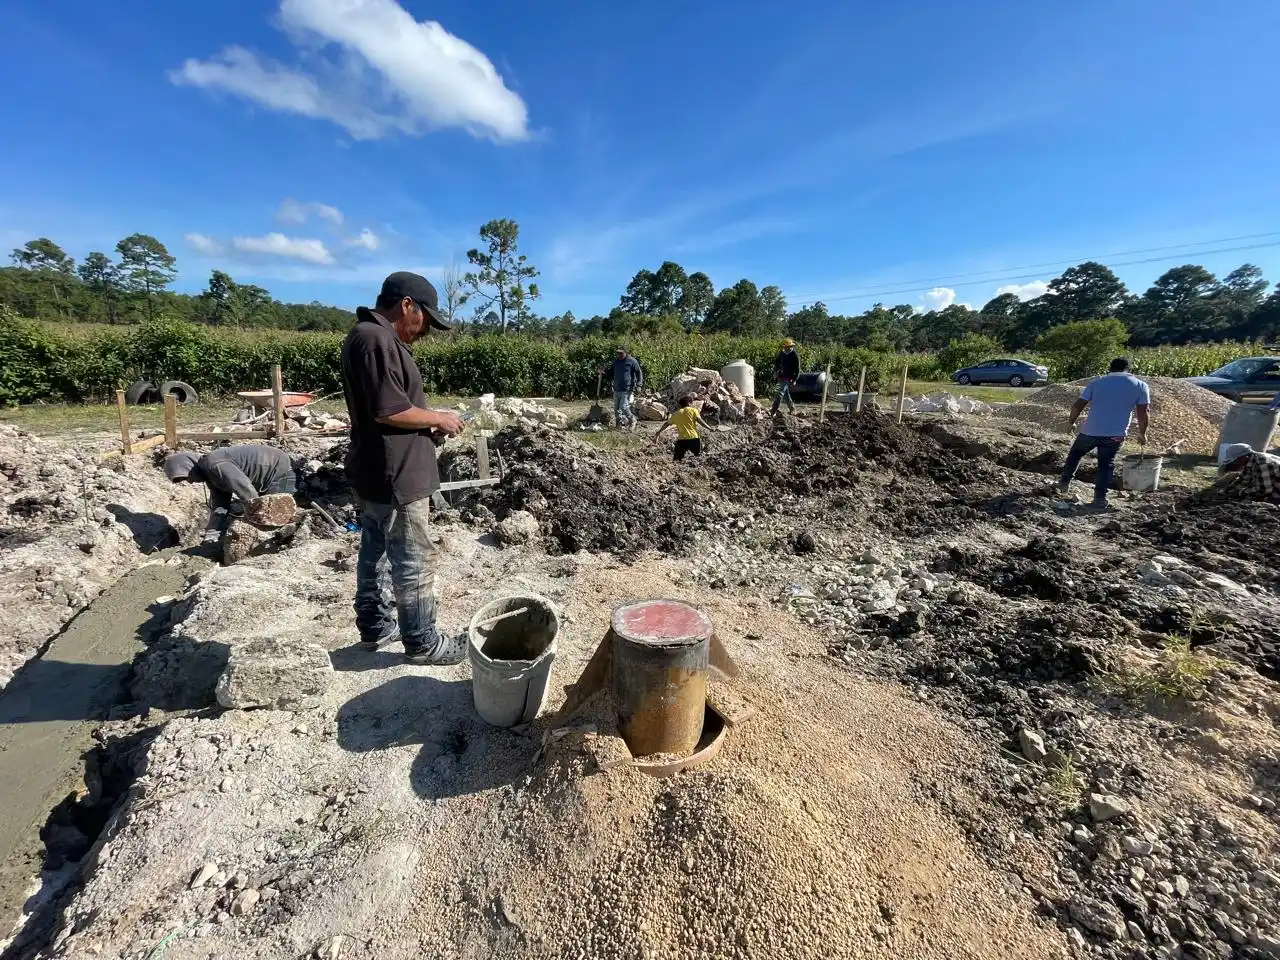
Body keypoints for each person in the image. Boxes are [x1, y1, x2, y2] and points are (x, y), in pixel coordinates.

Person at [340, 272, 465, 665]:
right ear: (407, 304)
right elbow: (389, 410)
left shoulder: (372, 337)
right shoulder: (375, 339)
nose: (426, 330)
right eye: (426, 319)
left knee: (374, 547)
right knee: (413, 556)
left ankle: (376, 625)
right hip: (397, 474)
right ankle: (422, 641)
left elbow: (386, 410)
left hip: (382, 467)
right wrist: (439, 418)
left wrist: (423, 422)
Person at [1058, 357, 1150, 510]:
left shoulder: (1096, 383)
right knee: (1105, 465)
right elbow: (1143, 412)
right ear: (1128, 369)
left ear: (1110, 368)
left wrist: (1071, 422)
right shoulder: (1140, 385)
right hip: (1115, 434)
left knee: (1075, 454)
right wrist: (1142, 433)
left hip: (1090, 431)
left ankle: (1063, 484)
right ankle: (1099, 499)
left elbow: (1078, 404)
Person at [164, 445, 295, 544]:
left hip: (278, 471)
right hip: (264, 477)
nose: (191, 482)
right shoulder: (210, 474)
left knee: (274, 517)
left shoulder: (215, 464)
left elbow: (246, 490)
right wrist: (212, 532)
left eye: (187, 477)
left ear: (191, 465)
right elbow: (220, 505)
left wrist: (257, 515)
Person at [649, 394, 706, 461]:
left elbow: (666, 424)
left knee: (677, 460)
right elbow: (700, 421)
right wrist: (709, 428)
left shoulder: (676, 414)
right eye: (691, 403)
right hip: (694, 438)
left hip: (682, 440)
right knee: (696, 460)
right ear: (689, 403)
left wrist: (658, 432)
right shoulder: (693, 410)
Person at [608, 346, 644, 431]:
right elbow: (610, 373)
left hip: (627, 388)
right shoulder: (615, 362)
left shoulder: (631, 361)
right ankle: (619, 425)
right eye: (618, 353)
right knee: (616, 409)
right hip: (617, 388)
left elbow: (639, 372)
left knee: (623, 407)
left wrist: (639, 384)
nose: (619, 355)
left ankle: (633, 420)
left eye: (621, 353)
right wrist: (602, 373)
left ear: (625, 352)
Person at [771, 339, 800, 416]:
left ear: (791, 346)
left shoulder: (794, 355)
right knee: (786, 394)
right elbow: (777, 362)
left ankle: (773, 410)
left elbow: (797, 368)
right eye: (785, 347)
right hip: (781, 375)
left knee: (780, 393)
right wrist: (776, 371)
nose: (787, 349)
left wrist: (794, 379)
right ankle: (792, 408)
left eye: (788, 347)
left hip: (789, 376)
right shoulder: (782, 353)